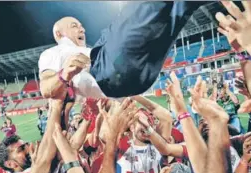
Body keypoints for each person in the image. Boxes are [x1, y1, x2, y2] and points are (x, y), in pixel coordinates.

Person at [39, 2, 207, 101]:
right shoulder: (53, 53)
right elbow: (46, 89)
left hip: (137, 79)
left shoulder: (84, 49)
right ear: (58, 33)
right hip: (105, 73)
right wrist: (63, 75)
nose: (81, 29)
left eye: (81, 26)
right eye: (74, 26)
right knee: (141, 8)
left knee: (176, 12)